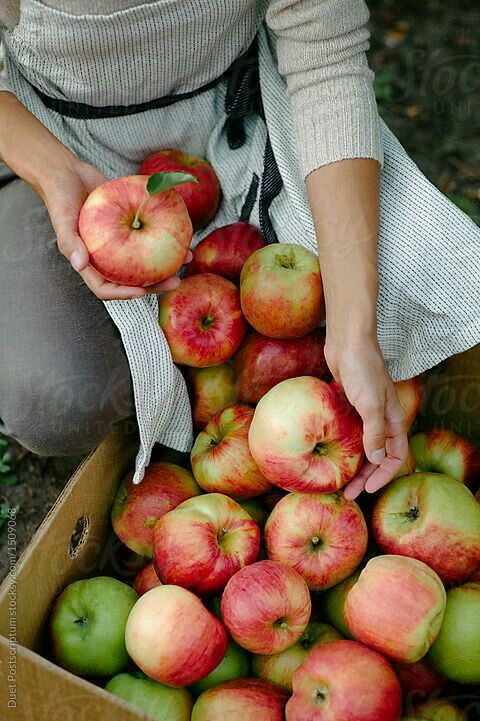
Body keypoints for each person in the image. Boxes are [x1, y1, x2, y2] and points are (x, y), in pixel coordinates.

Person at [0, 1, 478, 499]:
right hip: (51, 139)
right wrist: (53, 173)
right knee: (54, 399)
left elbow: (325, 55)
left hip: (243, 115)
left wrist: (352, 331)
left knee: (425, 281)